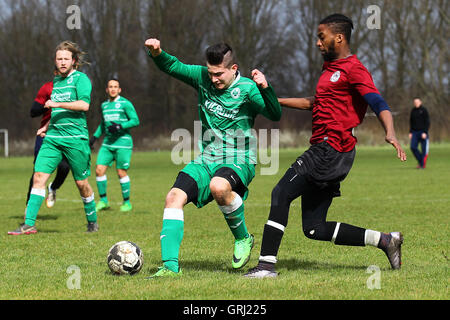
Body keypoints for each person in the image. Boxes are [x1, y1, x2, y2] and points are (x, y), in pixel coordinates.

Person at [244, 14, 407, 278]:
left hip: (329, 150)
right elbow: (315, 102)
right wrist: (271, 97)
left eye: (322, 37)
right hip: (330, 152)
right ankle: (386, 241)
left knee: (280, 193)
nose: (318, 43)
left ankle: (265, 266)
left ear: (339, 37)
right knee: (313, 228)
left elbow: (378, 103)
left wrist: (390, 132)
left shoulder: (354, 69)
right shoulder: (329, 68)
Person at [144, 38, 282, 277]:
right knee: (173, 197)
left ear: (233, 69)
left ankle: (243, 238)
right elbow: (173, 67)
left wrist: (265, 88)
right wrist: (157, 53)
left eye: (219, 74)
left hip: (240, 157)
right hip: (207, 158)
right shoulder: (202, 77)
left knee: (219, 187)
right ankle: (170, 267)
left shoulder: (248, 89)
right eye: (210, 73)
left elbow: (274, 114)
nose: (213, 79)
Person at [8, 41, 98, 235]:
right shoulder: (56, 82)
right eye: (59, 59)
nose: (62, 62)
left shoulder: (81, 79)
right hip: (53, 138)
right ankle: (29, 223)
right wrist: (46, 127)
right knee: (39, 176)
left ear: (74, 61)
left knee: (82, 184)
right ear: (55, 61)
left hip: (76, 139)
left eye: (66, 59)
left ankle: (92, 220)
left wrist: (56, 103)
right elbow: (56, 111)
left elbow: (84, 105)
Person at [90, 78, 140, 212]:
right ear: (107, 89)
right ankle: (103, 201)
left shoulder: (125, 103)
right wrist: (94, 137)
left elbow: (135, 120)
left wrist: (120, 126)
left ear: (119, 89)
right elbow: (103, 124)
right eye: (110, 87)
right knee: (99, 170)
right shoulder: (104, 105)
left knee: (121, 172)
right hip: (107, 143)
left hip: (123, 143)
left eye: (115, 87)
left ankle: (127, 203)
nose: (113, 89)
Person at [27, 75, 70, 210]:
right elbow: (33, 112)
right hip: (46, 134)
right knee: (38, 171)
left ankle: (53, 187)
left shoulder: (74, 88)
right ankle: (28, 207)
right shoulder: (47, 87)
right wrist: (48, 105)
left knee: (64, 167)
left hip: (66, 135)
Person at [409, 97, 430, 169]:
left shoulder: (424, 110)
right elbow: (411, 122)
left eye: (417, 102)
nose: (416, 103)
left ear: (420, 102)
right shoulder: (413, 111)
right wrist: (410, 132)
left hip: (423, 132)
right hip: (414, 132)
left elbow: (427, 122)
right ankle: (421, 161)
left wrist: (425, 132)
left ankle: (422, 165)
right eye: (415, 102)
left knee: (424, 150)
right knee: (413, 147)